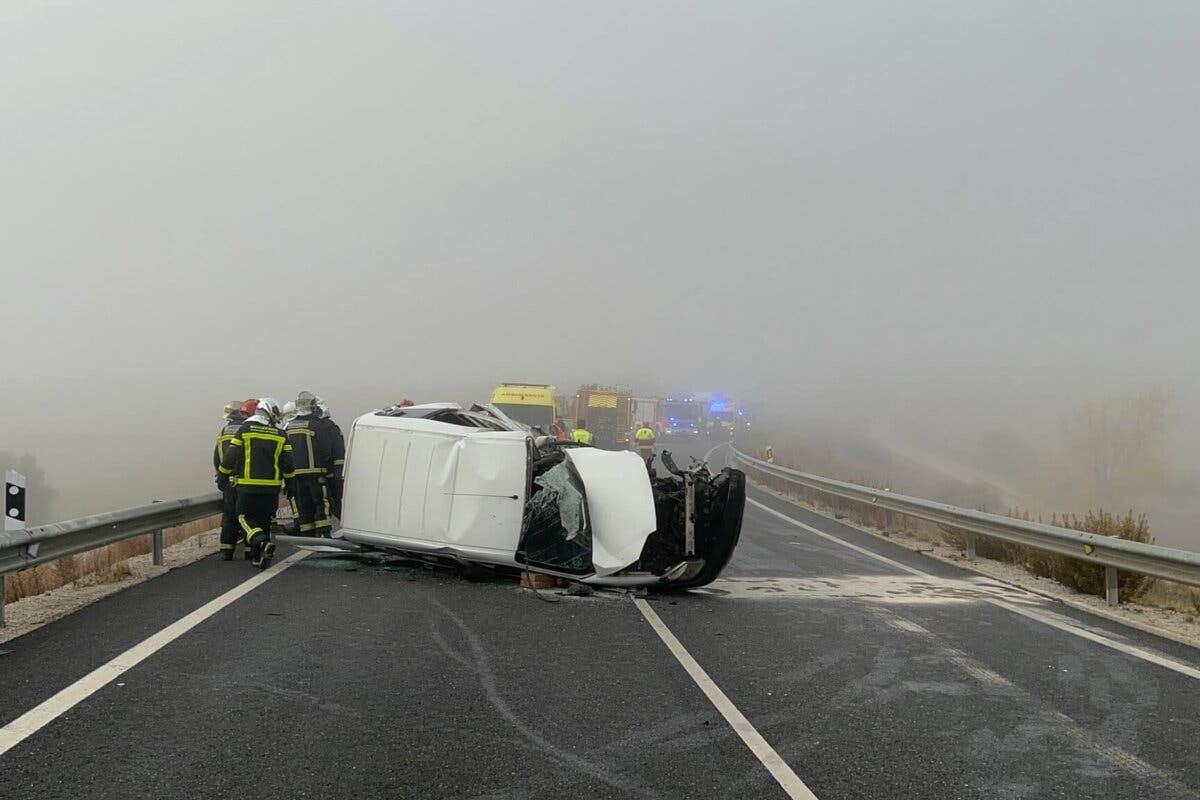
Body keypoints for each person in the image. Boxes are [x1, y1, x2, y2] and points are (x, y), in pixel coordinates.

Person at [218, 397, 295, 568]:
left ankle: (261, 542)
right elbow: (288, 465)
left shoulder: (245, 430)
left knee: (243, 518)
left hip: (248, 487)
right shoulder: (281, 435)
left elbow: (230, 457)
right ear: (270, 413)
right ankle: (257, 558)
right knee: (264, 521)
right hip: (272, 490)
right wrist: (291, 485)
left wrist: (222, 476)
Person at [283, 391, 334, 537]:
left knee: (303, 504)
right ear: (313, 407)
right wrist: (328, 469)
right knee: (321, 502)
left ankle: (307, 534)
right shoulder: (316, 425)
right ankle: (324, 534)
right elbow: (326, 448)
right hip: (315, 473)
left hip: (295, 476)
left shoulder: (288, 427)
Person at [214, 400, 248, 560]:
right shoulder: (247, 430)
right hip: (245, 481)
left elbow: (217, 457)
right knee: (247, 515)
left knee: (229, 516)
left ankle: (227, 550)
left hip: (228, 481)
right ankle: (250, 551)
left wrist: (221, 477)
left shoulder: (223, 431)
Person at [315, 398, 346, 520]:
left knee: (334, 501)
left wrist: (335, 472)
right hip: (330, 473)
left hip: (332, 474)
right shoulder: (326, 426)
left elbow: (337, 451)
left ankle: (339, 522)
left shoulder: (329, 426)